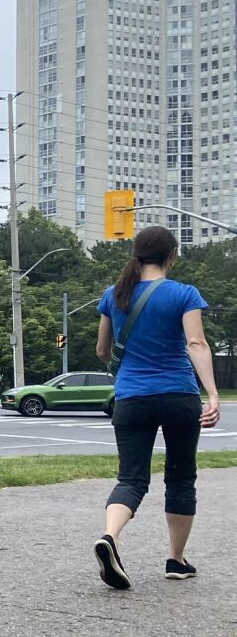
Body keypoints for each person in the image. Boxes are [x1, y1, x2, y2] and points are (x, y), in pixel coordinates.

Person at [92, 224, 221, 591]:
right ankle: (176, 561)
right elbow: (196, 344)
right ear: (171, 255)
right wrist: (211, 393)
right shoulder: (183, 294)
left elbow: (103, 351)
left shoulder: (113, 295)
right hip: (178, 396)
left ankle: (110, 537)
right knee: (181, 477)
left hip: (131, 397)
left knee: (131, 478)